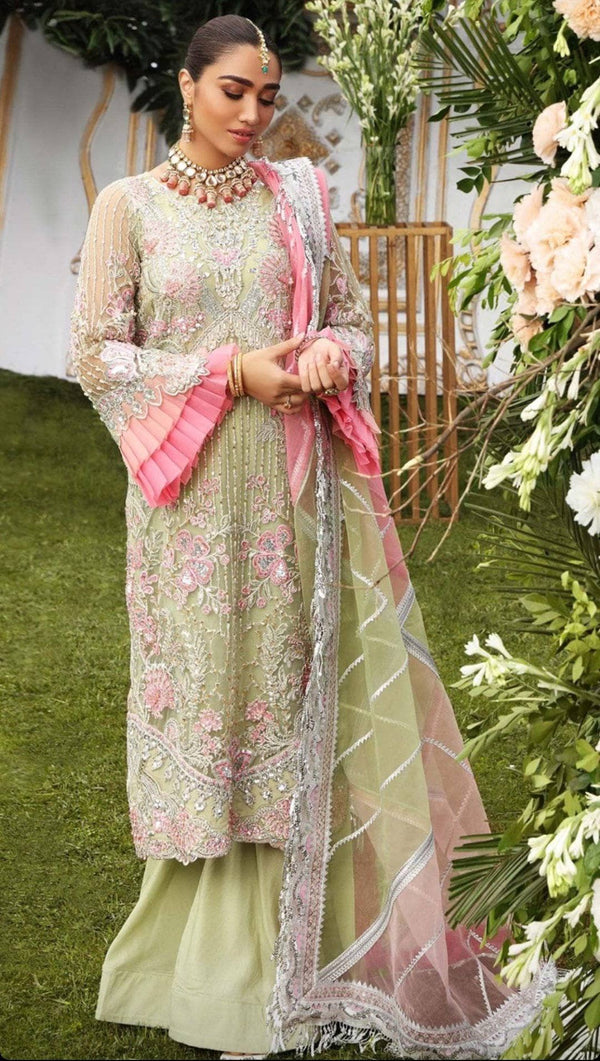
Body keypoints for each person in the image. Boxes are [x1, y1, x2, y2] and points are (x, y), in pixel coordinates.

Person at [69, 14, 553, 1061]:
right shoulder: (130, 208)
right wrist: (230, 372)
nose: (253, 113)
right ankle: (190, 960)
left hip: (294, 503)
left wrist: (331, 355)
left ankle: (301, 957)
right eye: (233, 91)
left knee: (291, 702)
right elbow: (97, 354)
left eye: (268, 96)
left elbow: (351, 323)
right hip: (188, 510)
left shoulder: (296, 200)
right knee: (207, 702)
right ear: (187, 85)